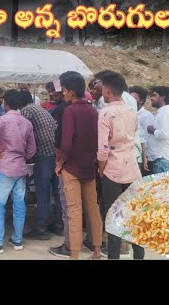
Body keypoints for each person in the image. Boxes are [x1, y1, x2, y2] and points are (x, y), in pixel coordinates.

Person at [49, 73, 102, 260]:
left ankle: (74, 256)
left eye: (63, 90)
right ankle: (96, 252)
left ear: (70, 92)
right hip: (89, 167)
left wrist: (60, 163)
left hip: (71, 168)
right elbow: (98, 140)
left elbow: (66, 145)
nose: (62, 93)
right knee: (93, 209)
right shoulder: (93, 111)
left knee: (74, 212)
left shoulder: (70, 111)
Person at [0, 89, 36, 254]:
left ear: (6, 104)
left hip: (5, 168)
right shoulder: (27, 123)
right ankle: (17, 240)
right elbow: (32, 150)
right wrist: (22, 155)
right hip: (20, 169)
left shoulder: (3, 119)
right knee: (19, 205)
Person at [97, 72, 144, 260]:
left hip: (113, 171)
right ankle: (139, 256)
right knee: (134, 216)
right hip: (132, 169)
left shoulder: (106, 112)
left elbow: (103, 148)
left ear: (107, 91)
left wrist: (101, 169)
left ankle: (114, 256)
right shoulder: (132, 112)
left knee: (113, 218)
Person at [18, 91, 63, 240]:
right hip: (57, 155)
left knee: (43, 193)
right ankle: (59, 226)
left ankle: (41, 228)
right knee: (57, 193)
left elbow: (21, 133)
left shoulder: (26, 111)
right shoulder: (41, 109)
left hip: (44, 156)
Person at [146, 86, 169, 174]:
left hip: (163, 160)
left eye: (154, 95)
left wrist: (151, 130)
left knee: (162, 187)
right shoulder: (162, 112)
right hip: (160, 159)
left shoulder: (166, 112)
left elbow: (164, 134)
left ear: (162, 97)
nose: (151, 98)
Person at [129, 85, 155, 175]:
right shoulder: (127, 113)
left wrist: (145, 158)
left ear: (141, 100)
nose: (131, 100)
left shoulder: (147, 116)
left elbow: (147, 139)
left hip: (140, 158)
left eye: (134, 98)